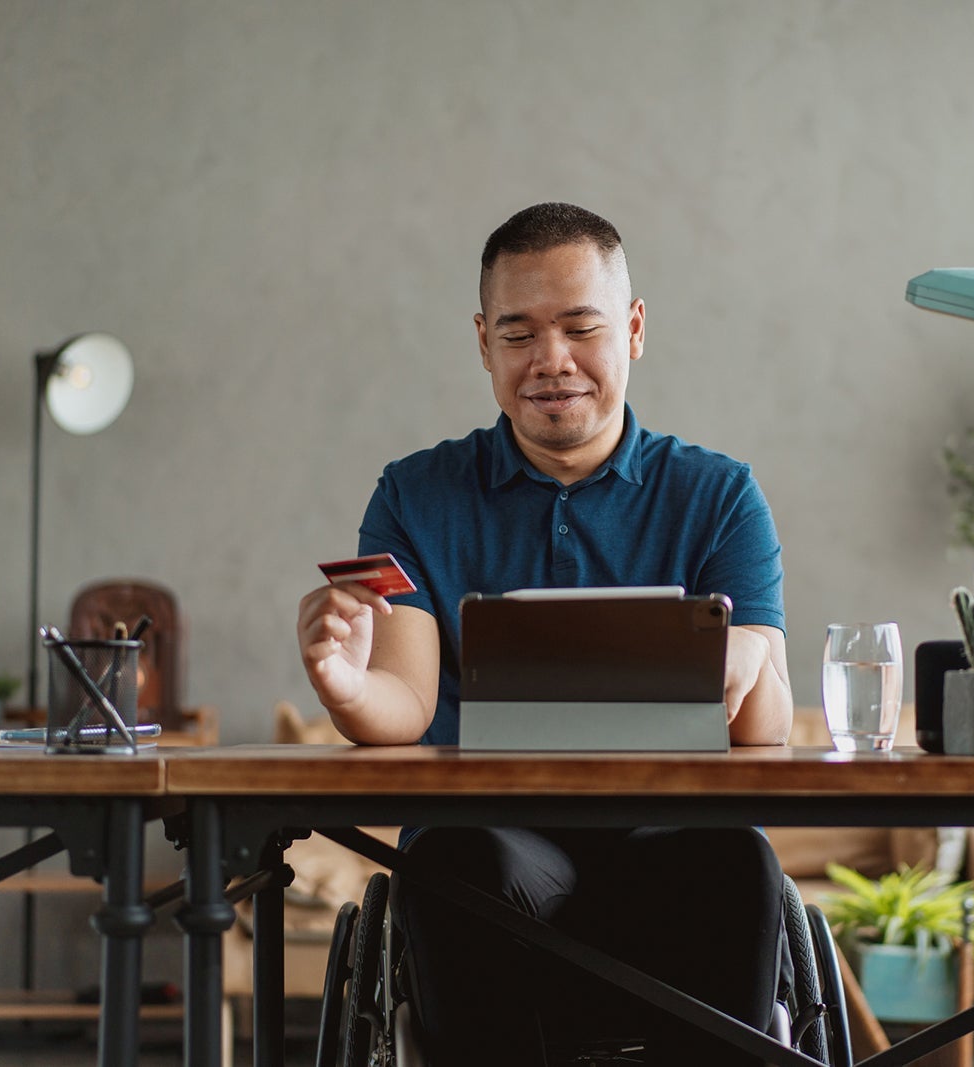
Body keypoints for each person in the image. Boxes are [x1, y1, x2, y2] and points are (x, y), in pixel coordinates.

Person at [296, 202, 793, 1065]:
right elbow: (405, 701)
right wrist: (344, 683)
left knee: (737, 857)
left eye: (580, 328)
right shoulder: (415, 495)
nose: (550, 360)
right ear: (483, 342)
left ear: (633, 330)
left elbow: (765, 729)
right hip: (493, 848)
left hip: (674, 842)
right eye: (518, 333)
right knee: (453, 855)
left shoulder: (719, 496)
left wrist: (746, 653)